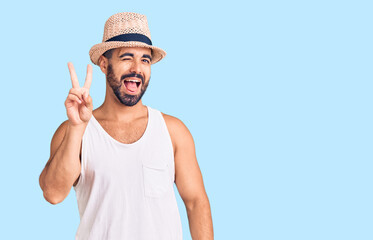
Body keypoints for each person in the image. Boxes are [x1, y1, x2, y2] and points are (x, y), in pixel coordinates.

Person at [38, 12, 213, 239]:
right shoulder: (74, 130)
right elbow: (53, 194)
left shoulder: (173, 131)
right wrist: (77, 127)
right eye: (126, 57)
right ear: (104, 63)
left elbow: (196, 203)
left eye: (145, 60)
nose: (137, 68)